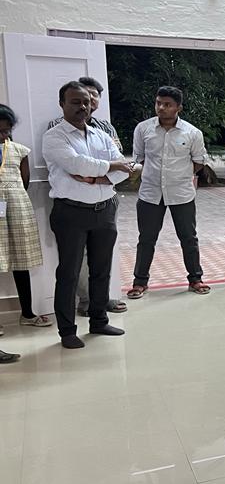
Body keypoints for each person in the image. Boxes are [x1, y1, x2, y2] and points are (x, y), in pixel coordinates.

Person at [42, 81, 133, 349]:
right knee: (69, 274)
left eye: (86, 102)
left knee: (101, 271)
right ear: (62, 104)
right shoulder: (54, 137)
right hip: (71, 213)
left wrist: (97, 177)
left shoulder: (100, 135)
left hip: (105, 210)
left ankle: (99, 321)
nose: (83, 107)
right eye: (75, 102)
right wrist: (112, 167)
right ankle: (67, 331)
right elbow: (77, 164)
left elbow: (124, 170)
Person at [126, 86, 210, 298]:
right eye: (158, 103)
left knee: (189, 238)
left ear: (178, 107)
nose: (161, 108)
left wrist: (179, 175)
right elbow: (139, 157)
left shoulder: (192, 133)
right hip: (150, 193)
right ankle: (140, 282)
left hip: (181, 193)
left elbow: (199, 161)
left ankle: (195, 279)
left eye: (167, 104)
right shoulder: (143, 129)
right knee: (146, 239)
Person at [0, 106, 52, 362]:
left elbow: (25, 181)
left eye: (6, 130)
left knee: (21, 261)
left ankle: (28, 313)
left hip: (17, 207)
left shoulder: (20, 150)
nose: (3, 135)